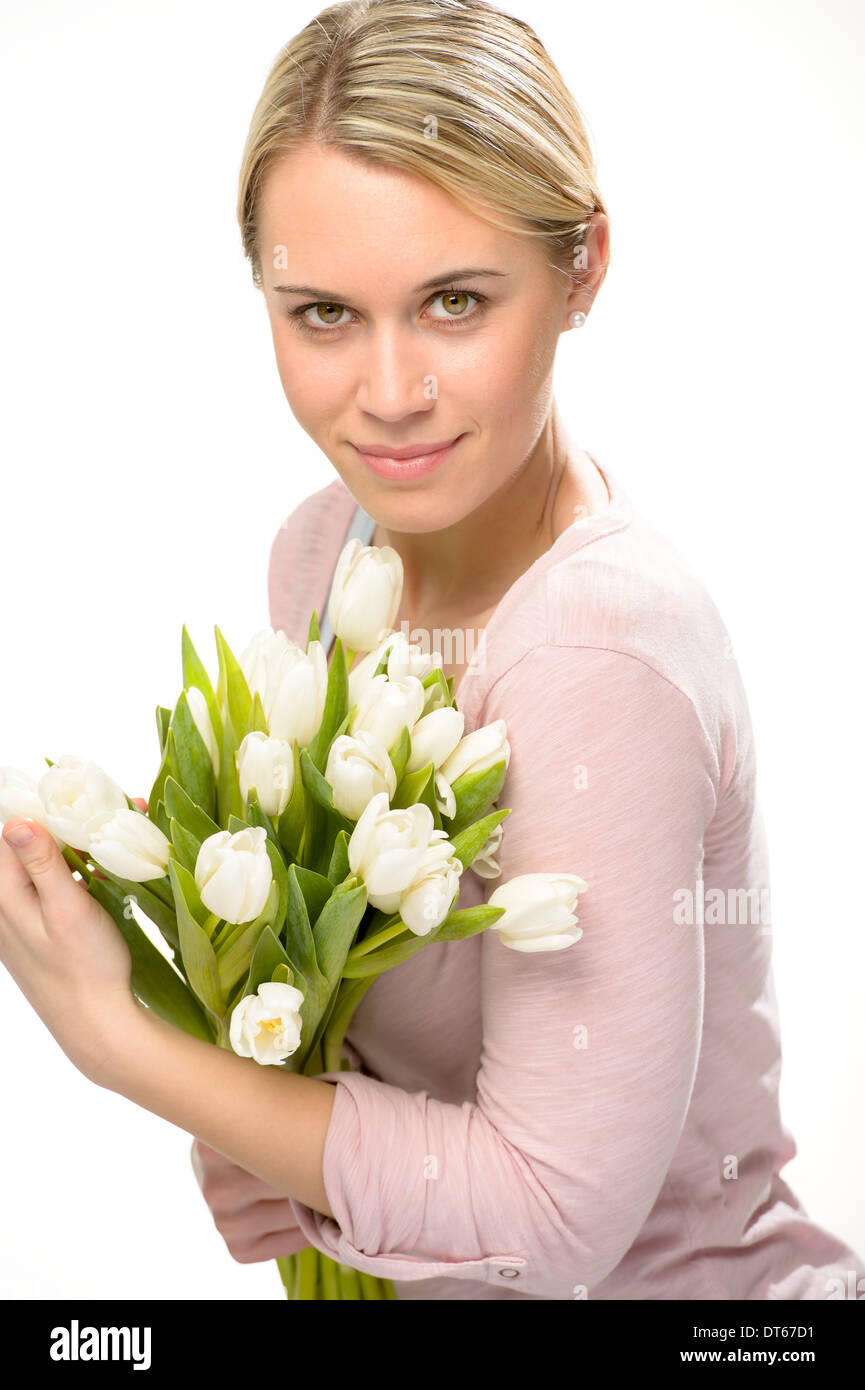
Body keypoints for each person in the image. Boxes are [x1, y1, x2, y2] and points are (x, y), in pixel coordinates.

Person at [1, 0, 862, 1302]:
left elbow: (551, 1217)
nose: (389, 393)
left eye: (454, 301)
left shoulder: (593, 652)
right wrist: (265, 1124)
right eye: (324, 313)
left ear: (583, 269)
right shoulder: (326, 549)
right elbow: (352, 1048)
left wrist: (132, 1044)